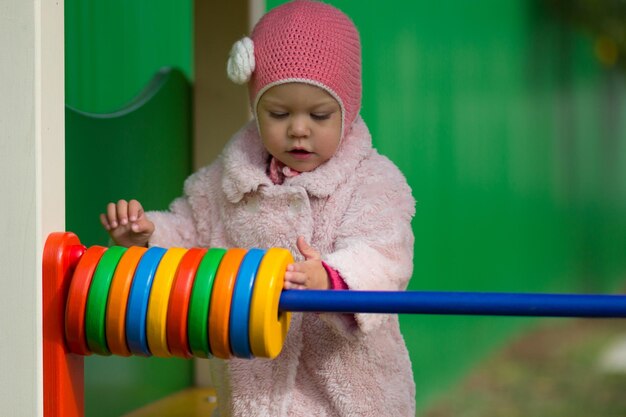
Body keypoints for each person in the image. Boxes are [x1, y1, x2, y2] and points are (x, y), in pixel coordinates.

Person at [100, 1, 416, 415]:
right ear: (255, 108)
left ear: (348, 110)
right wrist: (146, 238)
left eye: (319, 115)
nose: (298, 129)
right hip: (253, 396)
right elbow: (190, 235)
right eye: (278, 113)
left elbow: (384, 253)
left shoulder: (372, 181)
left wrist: (333, 278)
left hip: (348, 397)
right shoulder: (229, 181)